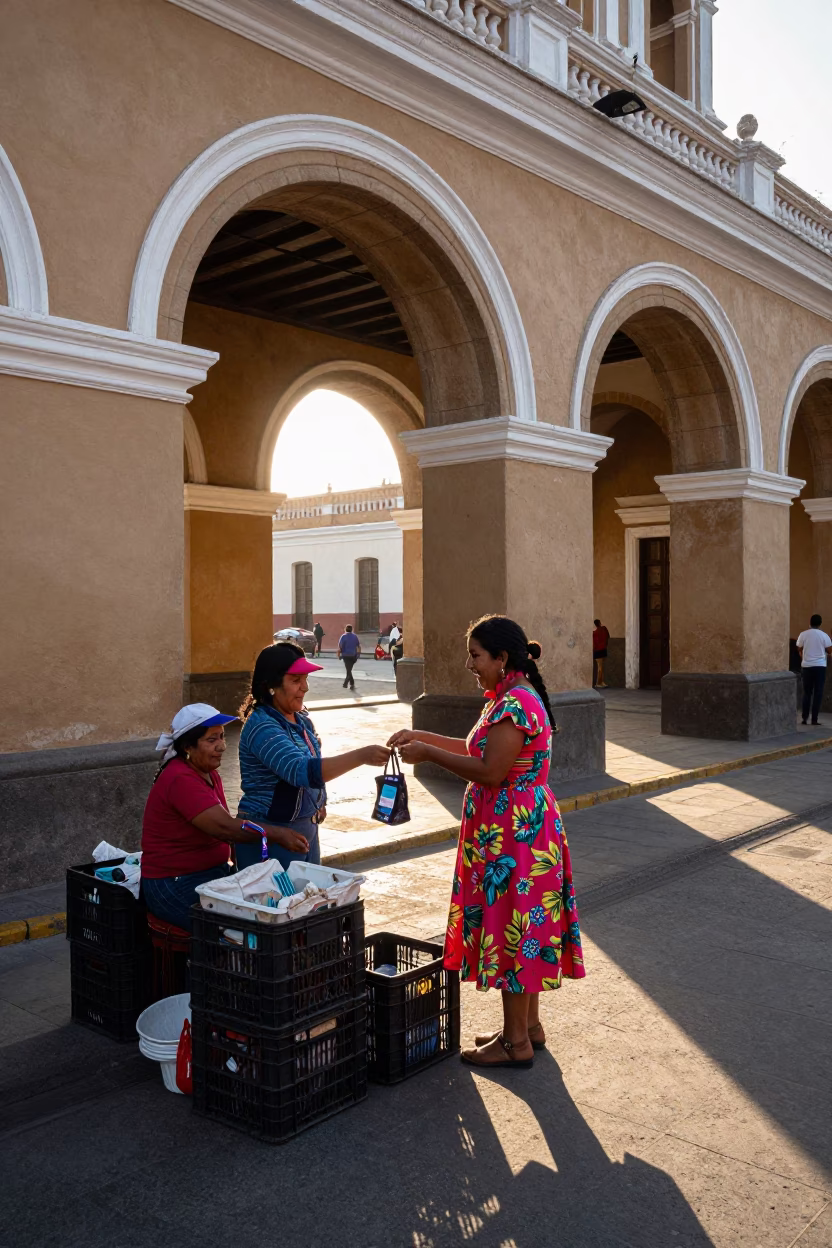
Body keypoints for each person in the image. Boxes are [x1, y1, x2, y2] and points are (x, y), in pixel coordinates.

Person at [388, 614, 585, 1068]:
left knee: (514, 929)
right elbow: (476, 749)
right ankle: (528, 1028)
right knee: (526, 927)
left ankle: (515, 1042)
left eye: (476, 655)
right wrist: (420, 735)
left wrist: (428, 755)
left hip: (514, 836)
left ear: (501, 658)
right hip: (519, 829)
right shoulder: (508, 697)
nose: (469, 663)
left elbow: (492, 771)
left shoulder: (515, 704)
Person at [141, 703, 304, 930]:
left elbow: (227, 831)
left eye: (221, 737)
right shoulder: (180, 778)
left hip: (210, 875)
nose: (222, 746)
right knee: (239, 929)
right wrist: (277, 834)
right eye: (211, 740)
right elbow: (225, 828)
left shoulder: (210, 774)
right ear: (188, 746)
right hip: (173, 884)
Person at [236, 641, 389, 868]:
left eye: (305, 679)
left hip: (304, 830)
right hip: (271, 835)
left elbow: (313, 760)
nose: (305, 688)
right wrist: (361, 756)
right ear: (271, 685)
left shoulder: (301, 719)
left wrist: (319, 800)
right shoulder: (262, 726)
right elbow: (301, 771)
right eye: (296, 680)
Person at [796, 613, 832, 726]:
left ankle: (804, 718)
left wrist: (802, 655)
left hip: (806, 666)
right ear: (820, 624)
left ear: (810, 623)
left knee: (807, 693)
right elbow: (830, 651)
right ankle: (814, 719)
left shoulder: (803, 634)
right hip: (820, 667)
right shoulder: (824, 635)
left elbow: (799, 647)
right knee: (818, 693)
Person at [338, 623, 361, 690]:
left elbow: (340, 646)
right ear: (352, 630)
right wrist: (358, 654)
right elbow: (358, 646)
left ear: (345, 629)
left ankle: (345, 683)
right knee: (349, 670)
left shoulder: (343, 636)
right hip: (353, 655)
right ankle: (352, 684)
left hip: (346, 655)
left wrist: (339, 655)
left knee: (348, 670)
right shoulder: (355, 636)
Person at [592, 618, 610, 688]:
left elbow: (594, 643)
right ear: (599, 623)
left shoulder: (594, 633)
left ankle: (600, 682)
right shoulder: (604, 629)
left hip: (597, 650)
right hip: (602, 649)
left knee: (600, 667)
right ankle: (599, 683)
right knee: (600, 667)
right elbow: (608, 636)